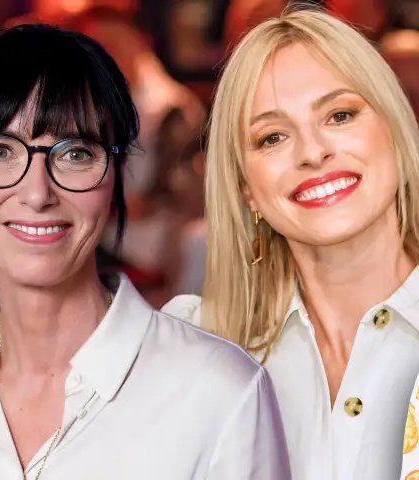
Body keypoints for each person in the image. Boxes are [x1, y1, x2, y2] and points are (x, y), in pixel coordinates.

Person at [0, 23, 290, 480]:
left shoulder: (218, 392)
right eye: (0, 151)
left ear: (117, 174)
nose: (37, 193)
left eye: (74, 154)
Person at [162, 7, 419, 480]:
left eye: (340, 115)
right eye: (272, 137)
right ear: (245, 186)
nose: (313, 152)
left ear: (395, 129)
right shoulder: (193, 349)